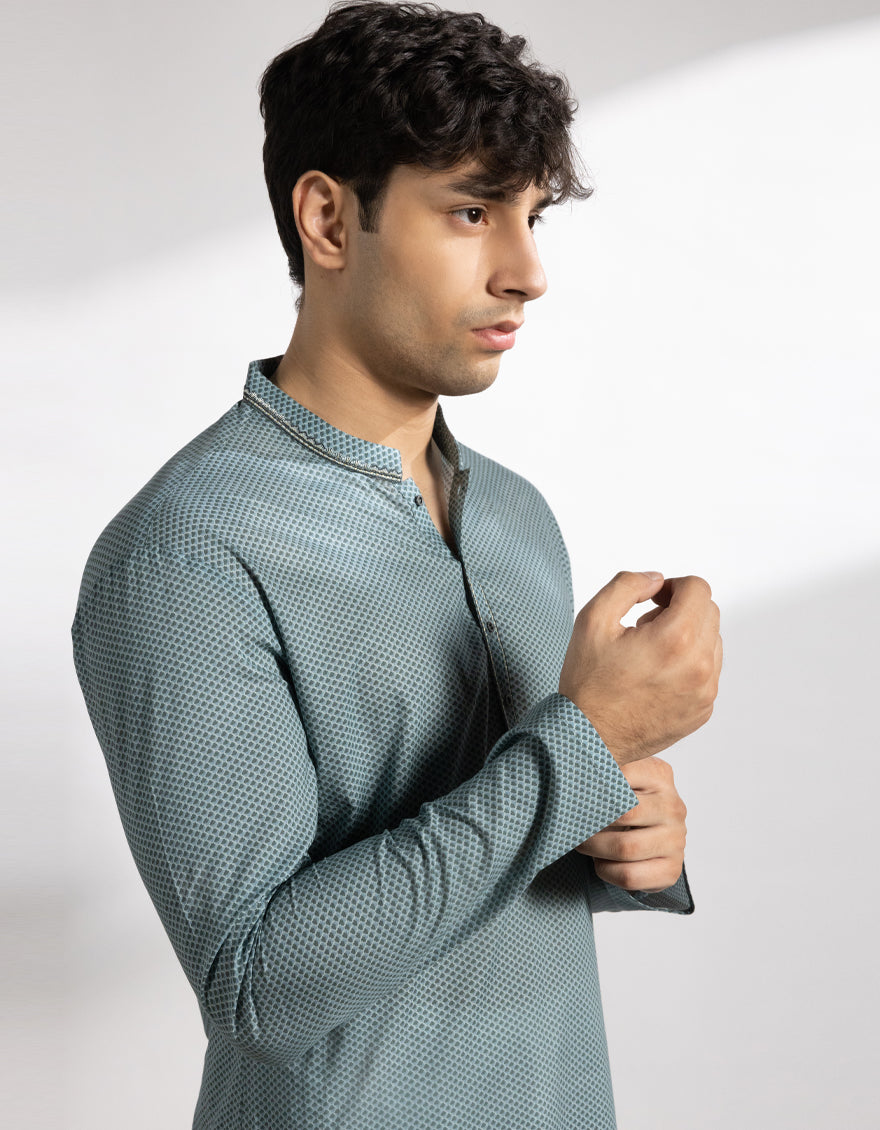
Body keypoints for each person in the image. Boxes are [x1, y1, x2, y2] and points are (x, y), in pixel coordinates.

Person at [72, 3, 722, 1127]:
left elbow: (504, 846)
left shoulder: (516, 514)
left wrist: (623, 833)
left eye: (530, 216)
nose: (526, 271)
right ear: (329, 218)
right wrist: (584, 744)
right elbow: (255, 987)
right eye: (472, 210)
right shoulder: (183, 552)